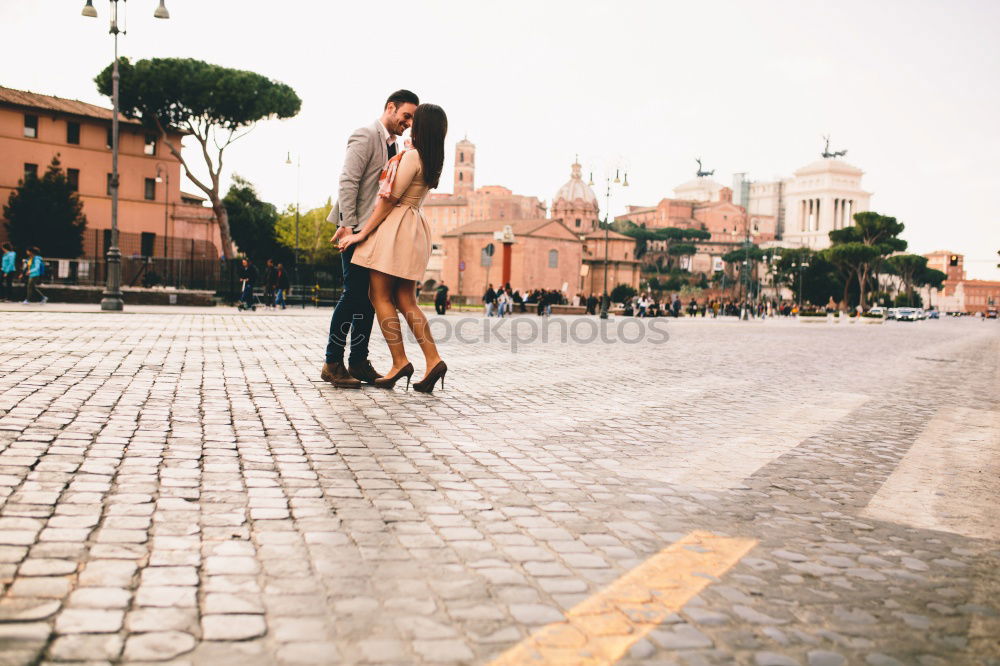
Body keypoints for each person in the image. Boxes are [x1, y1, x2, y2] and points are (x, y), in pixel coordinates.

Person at [338, 103, 449, 393]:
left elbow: (388, 200)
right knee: (407, 300)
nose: (411, 124)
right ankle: (433, 359)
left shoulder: (413, 156)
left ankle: (400, 361)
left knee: (379, 295)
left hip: (397, 227)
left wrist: (361, 234)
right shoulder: (433, 160)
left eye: (416, 121)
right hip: (415, 229)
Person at [324, 89, 419, 388]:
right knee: (352, 295)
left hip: (375, 233)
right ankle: (332, 362)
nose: (408, 123)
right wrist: (347, 226)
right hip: (356, 231)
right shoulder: (365, 135)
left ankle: (359, 362)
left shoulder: (393, 146)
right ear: (390, 107)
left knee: (368, 300)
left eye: (412, 119)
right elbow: (348, 180)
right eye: (406, 116)